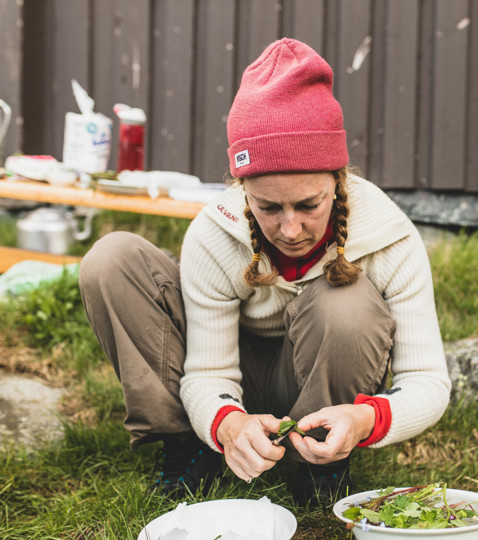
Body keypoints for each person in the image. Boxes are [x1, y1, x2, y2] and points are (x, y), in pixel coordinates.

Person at [78, 37, 450, 505]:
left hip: (318, 379)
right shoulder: (215, 232)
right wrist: (226, 421)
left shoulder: (390, 235)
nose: (290, 229)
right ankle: (190, 443)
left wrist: (363, 421)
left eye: (308, 204)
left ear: (337, 182)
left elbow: (429, 384)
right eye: (268, 206)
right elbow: (208, 371)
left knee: (348, 303)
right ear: (242, 188)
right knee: (111, 259)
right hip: (240, 378)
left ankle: (319, 457)